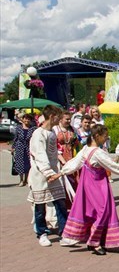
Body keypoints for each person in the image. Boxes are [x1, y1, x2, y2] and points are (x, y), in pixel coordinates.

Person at [60, 125, 119, 254]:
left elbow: (75, 163)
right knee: (103, 211)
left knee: (95, 212)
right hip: (98, 186)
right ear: (97, 136)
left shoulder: (86, 149)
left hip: (88, 186)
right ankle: (95, 243)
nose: (106, 138)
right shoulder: (97, 152)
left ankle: (96, 240)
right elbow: (111, 165)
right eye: (105, 135)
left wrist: (62, 172)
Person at [27, 105, 69, 247]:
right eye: (58, 116)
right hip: (40, 175)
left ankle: (65, 232)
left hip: (53, 174)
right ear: (52, 116)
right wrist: (48, 172)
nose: (60, 119)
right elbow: (39, 155)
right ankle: (42, 233)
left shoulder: (51, 132)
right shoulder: (39, 134)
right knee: (40, 206)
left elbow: (54, 152)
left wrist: (61, 165)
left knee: (60, 202)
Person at [53, 112, 79, 209]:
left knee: (74, 179)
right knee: (63, 180)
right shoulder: (55, 129)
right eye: (67, 119)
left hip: (72, 154)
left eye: (69, 119)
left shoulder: (73, 129)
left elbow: (78, 143)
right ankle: (63, 204)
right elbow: (54, 145)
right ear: (60, 119)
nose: (69, 121)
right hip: (60, 156)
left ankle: (73, 203)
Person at [12, 113, 37, 187]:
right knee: (20, 164)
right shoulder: (18, 128)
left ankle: (26, 179)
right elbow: (15, 138)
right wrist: (13, 147)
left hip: (28, 147)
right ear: (22, 119)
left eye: (28, 119)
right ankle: (21, 180)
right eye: (25, 118)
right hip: (19, 147)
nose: (27, 120)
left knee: (28, 164)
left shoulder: (33, 128)